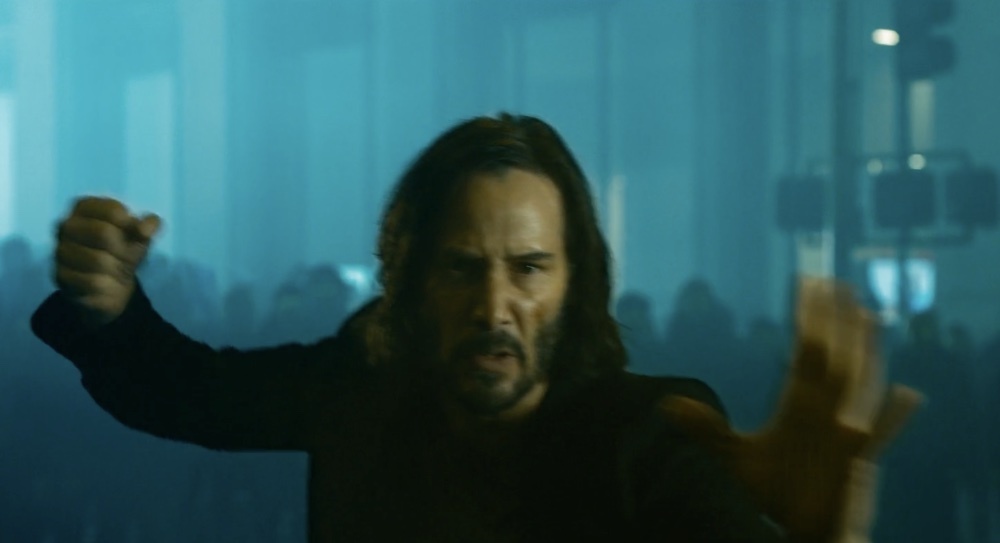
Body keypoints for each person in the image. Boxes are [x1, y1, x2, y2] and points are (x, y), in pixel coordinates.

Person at [31, 113, 919, 542]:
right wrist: (109, 305)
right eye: (463, 267)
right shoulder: (361, 388)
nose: (495, 305)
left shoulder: (649, 436)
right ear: (414, 281)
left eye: (528, 267)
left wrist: (825, 538)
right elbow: (191, 391)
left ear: (575, 281)